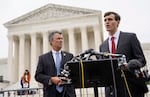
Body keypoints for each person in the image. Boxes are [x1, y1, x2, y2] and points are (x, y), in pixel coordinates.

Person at [99, 11, 148, 97]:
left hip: (131, 87)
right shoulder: (103, 46)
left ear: (118, 22)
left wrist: (130, 65)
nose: (107, 22)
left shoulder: (130, 38)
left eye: (110, 19)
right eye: (105, 20)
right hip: (112, 90)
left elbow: (142, 60)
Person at [35, 31, 76, 97]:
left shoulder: (69, 56)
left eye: (61, 39)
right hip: (50, 93)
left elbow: (74, 74)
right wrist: (51, 79)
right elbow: (38, 76)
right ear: (51, 42)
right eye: (58, 39)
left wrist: (67, 79)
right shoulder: (43, 58)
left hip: (68, 93)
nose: (61, 41)